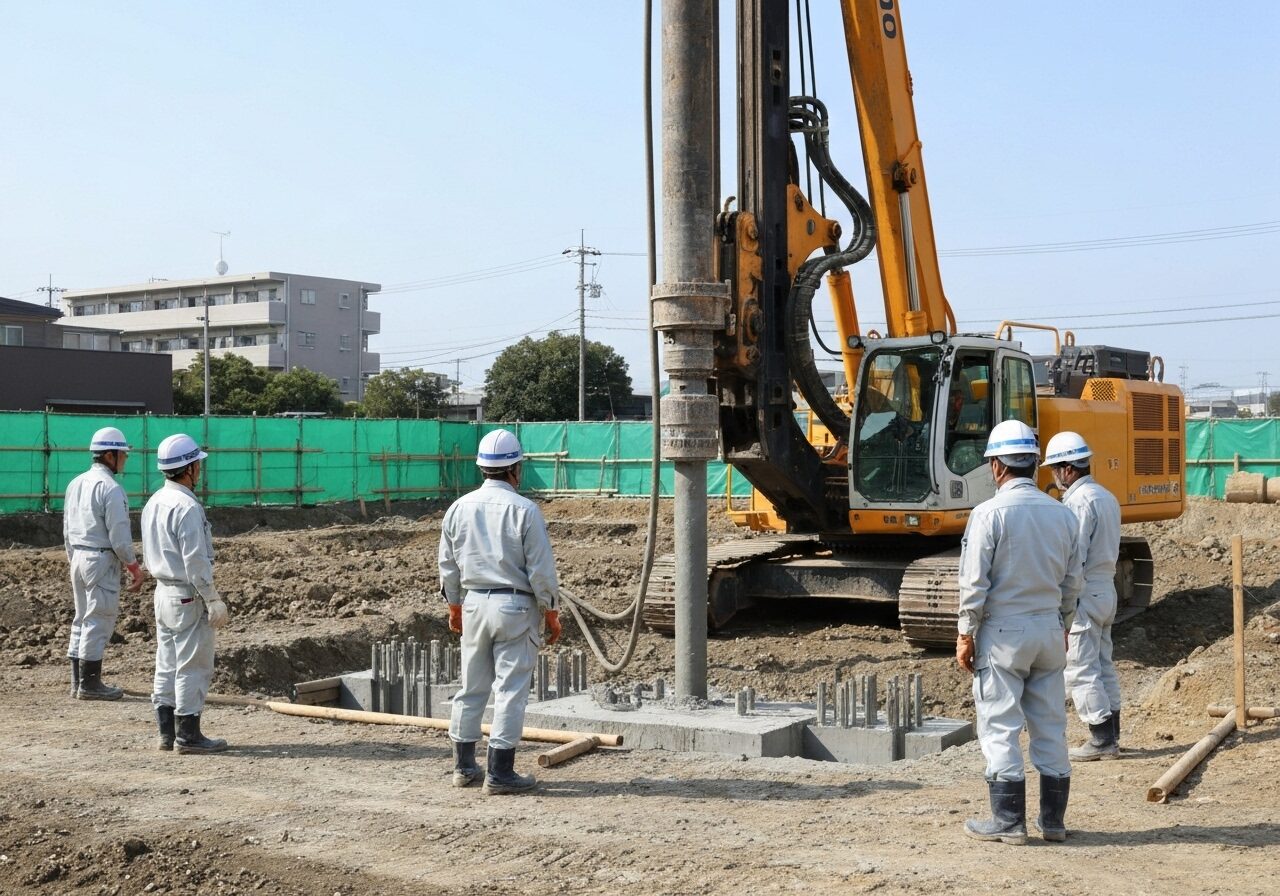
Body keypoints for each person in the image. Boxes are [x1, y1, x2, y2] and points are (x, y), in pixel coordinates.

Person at [955, 419, 1084, 845]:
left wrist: (965, 633)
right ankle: (1053, 822)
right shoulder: (1063, 514)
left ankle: (1009, 820)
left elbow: (974, 584)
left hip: (1004, 634)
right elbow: (1073, 582)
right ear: (1032, 463)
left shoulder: (988, 514)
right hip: (1049, 630)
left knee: (1000, 725)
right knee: (1050, 725)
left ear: (996, 466)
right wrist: (1063, 624)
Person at [439, 428, 562, 795]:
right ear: (516, 470)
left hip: (474, 603)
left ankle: (464, 768)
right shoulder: (524, 510)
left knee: (471, 688)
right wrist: (551, 611)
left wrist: (455, 606)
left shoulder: (458, 508)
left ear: (482, 468)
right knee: (510, 690)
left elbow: (448, 565)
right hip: (514, 606)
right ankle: (500, 773)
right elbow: (541, 569)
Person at [141, 433, 229, 754]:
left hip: (163, 593)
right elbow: (195, 561)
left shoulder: (154, 502)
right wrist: (212, 597)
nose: (200, 470)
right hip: (188, 595)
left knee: (166, 663)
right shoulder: (187, 507)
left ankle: (166, 733)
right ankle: (189, 736)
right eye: (197, 464)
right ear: (189, 468)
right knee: (193, 664)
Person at [1043, 431, 1123, 761]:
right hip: (1107, 589)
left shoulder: (1077, 502)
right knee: (1103, 663)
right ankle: (1112, 735)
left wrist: (1062, 600)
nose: (1054, 477)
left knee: (1080, 667)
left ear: (1067, 469)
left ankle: (1101, 740)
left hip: (1085, 592)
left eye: (1055, 469)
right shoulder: (1106, 496)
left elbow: (1073, 557)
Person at [63, 427, 145, 700]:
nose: (125, 459)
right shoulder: (111, 488)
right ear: (110, 455)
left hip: (78, 556)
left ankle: (78, 682)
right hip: (100, 559)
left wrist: (72, 558)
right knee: (99, 620)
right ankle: (90, 684)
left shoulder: (76, 483)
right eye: (123, 454)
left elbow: (66, 527)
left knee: (81, 619)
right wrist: (132, 565)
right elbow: (119, 534)